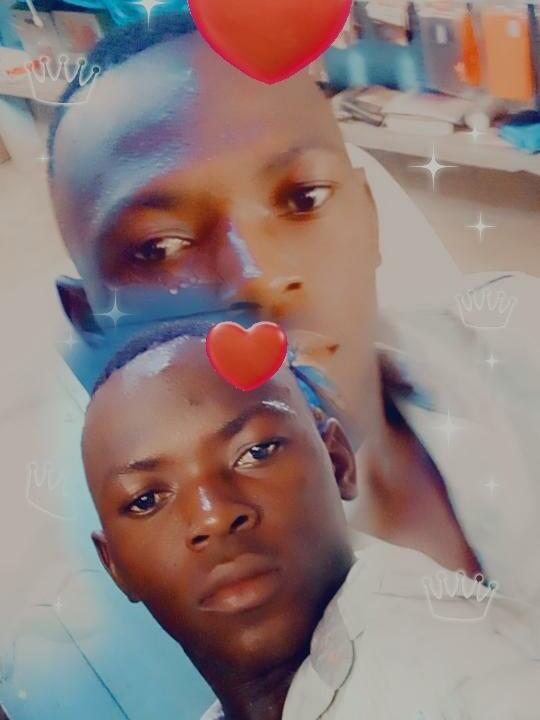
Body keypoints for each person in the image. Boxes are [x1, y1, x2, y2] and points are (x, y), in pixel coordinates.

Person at [46, 12, 540, 601]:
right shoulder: (107, 630)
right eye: (159, 248)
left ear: (370, 216)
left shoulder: (519, 341)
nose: (260, 277)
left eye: (304, 199)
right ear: (89, 320)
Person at [81, 320, 539, 720]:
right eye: (146, 500)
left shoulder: (478, 676)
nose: (214, 515)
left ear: (338, 461)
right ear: (114, 565)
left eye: (256, 452)